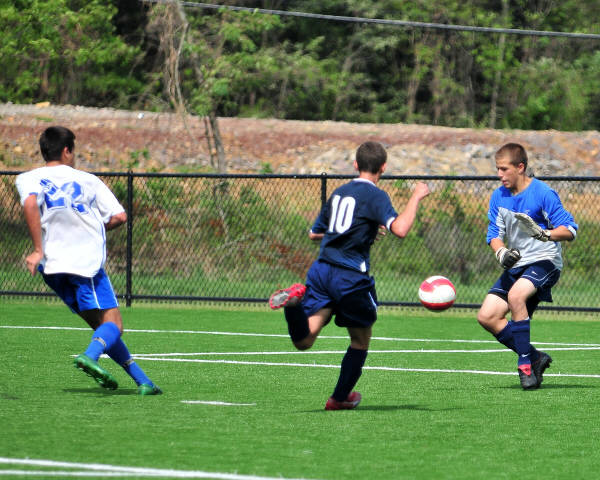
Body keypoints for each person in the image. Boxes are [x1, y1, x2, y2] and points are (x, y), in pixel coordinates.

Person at [269, 141, 430, 410]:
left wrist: (364, 230)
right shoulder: (376, 196)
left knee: (304, 340)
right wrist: (416, 196)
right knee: (360, 339)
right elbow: (400, 229)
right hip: (349, 277)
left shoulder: (340, 192)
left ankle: (293, 306)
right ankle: (339, 398)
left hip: (321, 271)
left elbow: (314, 234)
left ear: (355, 165)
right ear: (383, 167)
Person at [16, 126, 162, 395]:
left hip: (52, 267)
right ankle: (89, 356)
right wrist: (93, 228)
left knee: (102, 328)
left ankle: (144, 382)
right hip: (84, 264)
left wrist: (38, 250)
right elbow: (119, 217)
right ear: (67, 150)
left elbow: (30, 204)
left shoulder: (27, 178)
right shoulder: (88, 180)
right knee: (114, 325)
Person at [477, 143, 578, 390]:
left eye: (504, 169)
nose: (499, 175)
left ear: (520, 167)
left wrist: (545, 234)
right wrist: (501, 252)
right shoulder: (498, 196)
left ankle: (525, 367)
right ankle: (535, 357)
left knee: (516, 297)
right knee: (487, 316)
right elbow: (493, 234)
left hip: (545, 261)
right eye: (497, 169)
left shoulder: (543, 193)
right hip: (518, 265)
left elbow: (570, 230)